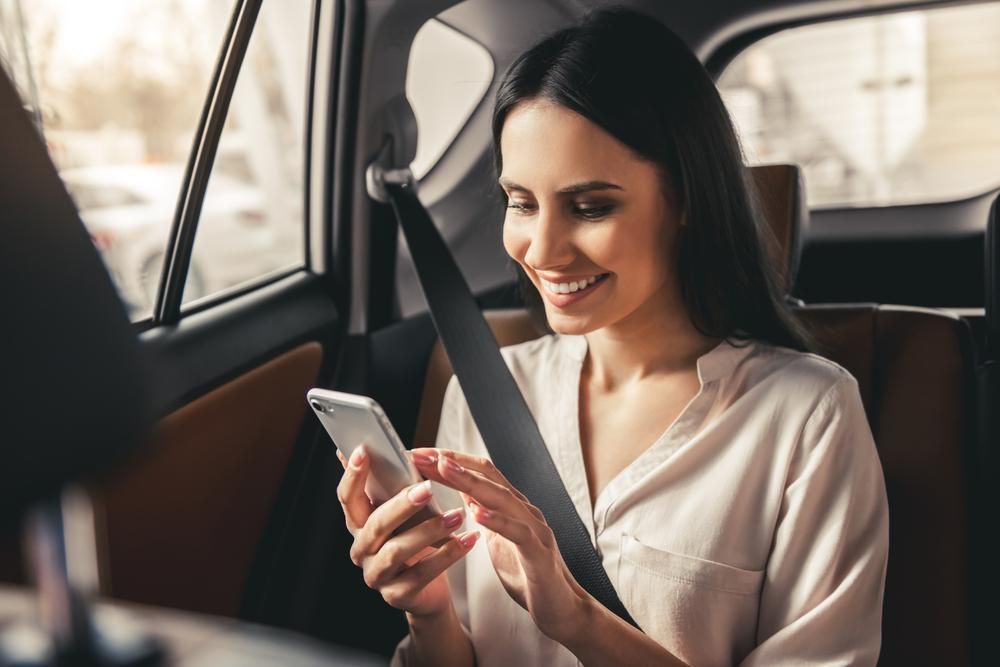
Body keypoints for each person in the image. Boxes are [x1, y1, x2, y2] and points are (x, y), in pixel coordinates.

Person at [335, 7, 889, 666]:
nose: (541, 250)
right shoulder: (486, 388)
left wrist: (578, 618)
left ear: (686, 198)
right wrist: (428, 611)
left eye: (591, 206)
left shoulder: (807, 415)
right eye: (521, 202)